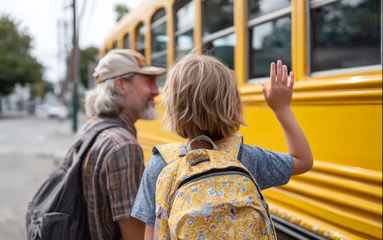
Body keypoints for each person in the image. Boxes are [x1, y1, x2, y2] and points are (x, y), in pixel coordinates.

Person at [131, 54, 313, 239]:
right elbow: (302, 160)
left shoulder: (162, 163)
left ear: (173, 107)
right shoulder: (243, 157)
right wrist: (282, 108)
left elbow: (152, 234)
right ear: (232, 103)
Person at [75, 49, 166, 240]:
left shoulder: (90, 128)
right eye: (149, 82)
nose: (156, 91)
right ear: (121, 85)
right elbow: (137, 237)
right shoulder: (123, 146)